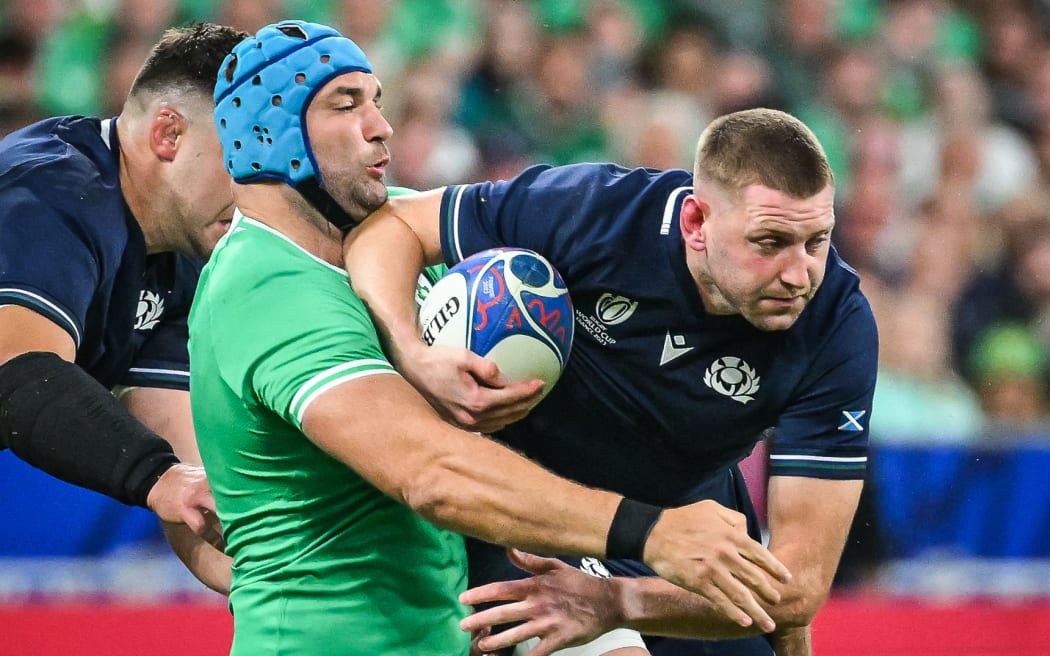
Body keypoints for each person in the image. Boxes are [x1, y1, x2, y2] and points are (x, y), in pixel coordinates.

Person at [191, 20, 791, 656]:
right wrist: (652, 534)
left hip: (451, 629)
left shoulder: (397, 229)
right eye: (347, 103)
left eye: (378, 100)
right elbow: (433, 472)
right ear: (272, 131)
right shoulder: (265, 286)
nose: (381, 125)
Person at [344, 107, 878, 656]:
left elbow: (795, 590)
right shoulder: (599, 211)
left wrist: (615, 600)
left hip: (690, 536)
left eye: (816, 242)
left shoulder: (837, 324)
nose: (799, 275)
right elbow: (393, 226)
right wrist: (413, 354)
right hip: (539, 518)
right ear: (697, 223)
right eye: (769, 242)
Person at [0, 22, 247, 593]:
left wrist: (277, 587)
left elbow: (190, 480)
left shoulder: (186, 248)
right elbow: (17, 377)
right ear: (168, 133)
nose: (258, 189)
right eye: (241, 157)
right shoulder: (47, 194)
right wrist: (160, 479)